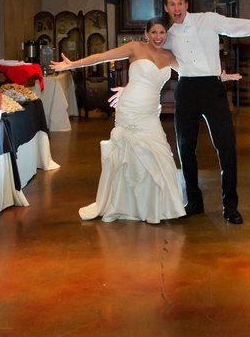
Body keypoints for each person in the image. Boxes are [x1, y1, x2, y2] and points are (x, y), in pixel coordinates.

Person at [162, 0, 250, 224]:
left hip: (211, 90)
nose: (176, 8)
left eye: (180, 3)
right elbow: (159, 61)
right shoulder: (168, 36)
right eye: (171, 5)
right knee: (185, 149)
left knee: (226, 147)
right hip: (185, 90)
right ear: (166, 8)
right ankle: (194, 203)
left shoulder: (208, 20)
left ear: (186, 4)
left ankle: (230, 206)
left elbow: (240, 27)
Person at [49, 19, 186, 224]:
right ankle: (126, 204)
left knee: (161, 154)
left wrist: (220, 76)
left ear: (167, 34)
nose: (158, 37)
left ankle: (155, 206)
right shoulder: (135, 48)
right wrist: (73, 64)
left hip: (149, 113)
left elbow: (194, 71)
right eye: (154, 32)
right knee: (129, 156)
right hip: (130, 109)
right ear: (146, 34)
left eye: (162, 32)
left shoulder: (169, 56)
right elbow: (102, 57)